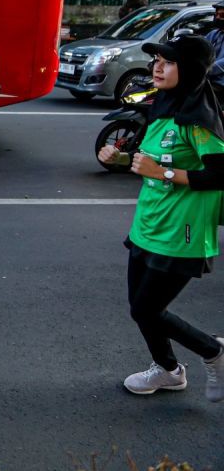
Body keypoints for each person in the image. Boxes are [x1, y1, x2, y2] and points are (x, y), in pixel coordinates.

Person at [97, 33, 224, 400]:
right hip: (149, 223)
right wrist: (122, 161)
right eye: (157, 60)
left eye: (168, 62)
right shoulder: (162, 105)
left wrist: (163, 173)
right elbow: (151, 161)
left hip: (183, 229)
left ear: (190, 71)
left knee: (147, 308)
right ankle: (168, 371)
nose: (157, 66)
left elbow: (219, 174)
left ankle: (213, 352)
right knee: (141, 309)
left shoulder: (198, 121)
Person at [202, 0, 224, 94]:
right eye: (216, 14)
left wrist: (204, 69)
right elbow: (201, 48)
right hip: (207, 80)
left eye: (222, 15)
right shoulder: (214, 34)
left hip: (220, 84)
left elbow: (222, 64)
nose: (217, 17)